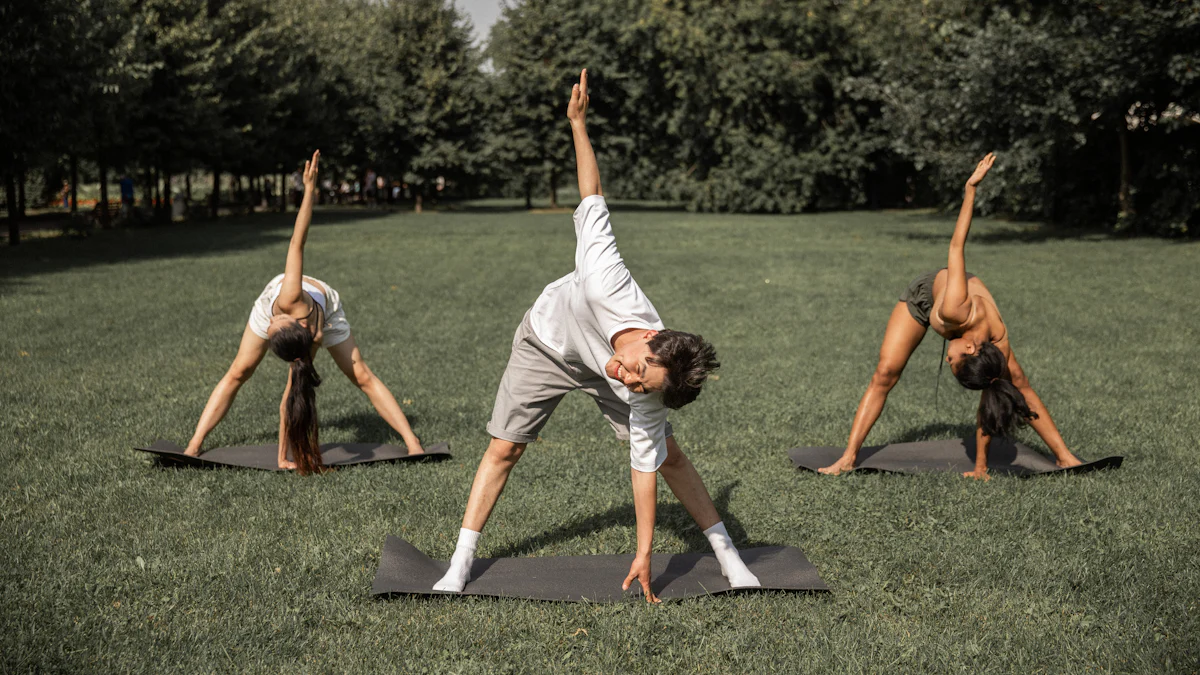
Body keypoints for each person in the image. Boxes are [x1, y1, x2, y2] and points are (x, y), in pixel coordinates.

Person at [432, 70, 760, 602]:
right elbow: (592, 195)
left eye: (640, 387)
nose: (628, 381)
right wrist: (579, 125)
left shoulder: (647, 387)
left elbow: (644, 468)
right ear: (649, 338)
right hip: (546, 341)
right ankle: (461, 560)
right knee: (505, 449)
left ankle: (728, 554)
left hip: (586, 354)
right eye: (636, 370)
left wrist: (645, 550)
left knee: (668, 455)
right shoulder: (606, 276)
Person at [818, 153, 1083, 480]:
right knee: (886, 372)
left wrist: (981, 468)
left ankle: (1064, 456)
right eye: (953, 361)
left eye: (951, 362)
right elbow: (957, 246)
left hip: (962, 325)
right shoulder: (956, 304)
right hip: (927, 297)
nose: (947, 360)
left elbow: (990, 396)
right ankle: (848, 457)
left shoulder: (995, 344)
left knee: (1018, 382)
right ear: (970, 348)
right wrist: (970, 189)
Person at [184, 150, 424, 473]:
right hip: (304, 319)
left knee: (363, 376)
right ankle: (194, 444)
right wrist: (282, 459)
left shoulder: (289, 297)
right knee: (239, 371)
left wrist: (309, 191)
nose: (266, 325)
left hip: (326, 308)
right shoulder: (280, 313)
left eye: (267, 329)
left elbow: (298, 241)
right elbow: (292, 383)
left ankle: (413, 443)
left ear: (284, 320)